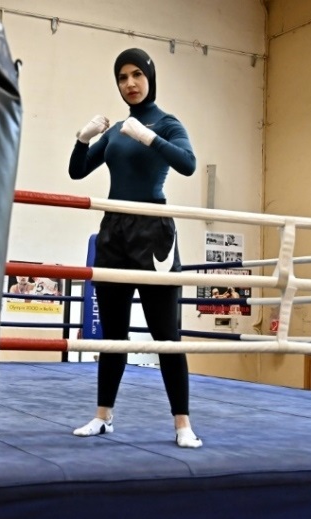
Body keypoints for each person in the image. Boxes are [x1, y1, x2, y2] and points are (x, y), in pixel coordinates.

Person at [67, 48, 202, 448]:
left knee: (165, 335)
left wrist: (150, 137)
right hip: (114, 231)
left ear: (149, 78)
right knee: (113, 334)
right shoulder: (114, 131)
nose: (130, 83)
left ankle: (182, 424)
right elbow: (77, 171)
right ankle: (102, 416)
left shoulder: (167, 123)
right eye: (122, 77)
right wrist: (82, 139)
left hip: (153, 232)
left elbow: (188, 164)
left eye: (136, 75)